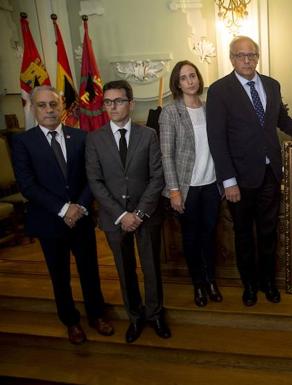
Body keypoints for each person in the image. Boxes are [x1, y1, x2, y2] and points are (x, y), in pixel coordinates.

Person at [206, 35, 292, 307]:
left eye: (252, 55)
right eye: (241, 56)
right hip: (238, 179)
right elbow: (216, 139)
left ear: (258, 57)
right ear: (232, 59)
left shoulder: (271, 85)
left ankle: (267, 283)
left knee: (268, 232)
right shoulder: (219, 90)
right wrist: (228, 181)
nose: (247, 60)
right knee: (243, 234)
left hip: (270, 174)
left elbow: (283, 120)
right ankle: (249, 285)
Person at [11, 86, 114, 344]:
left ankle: (96, 315)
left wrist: (78, 207)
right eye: (42, 105)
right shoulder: (23, 142)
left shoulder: (81, 137)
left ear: (62, 108)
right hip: (49, 220)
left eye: (53, 105)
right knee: (60, 276)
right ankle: (70, 321)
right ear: (33, 109)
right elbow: (27, 185)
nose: (49, 110)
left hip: (80, 218)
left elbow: (93, 177)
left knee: (90, 270)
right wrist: (62, 208)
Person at [85, 80, 169, 343]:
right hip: (114, 219)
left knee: (151, 268)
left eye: (118, 101)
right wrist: (122, 216)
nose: (113, 107)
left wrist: (140, 213)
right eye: (108, 102)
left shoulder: (148, 135)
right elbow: (95, 181)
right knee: (125, 269)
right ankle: (135, 317)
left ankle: (155, 314)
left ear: (130, 104)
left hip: (146, 216)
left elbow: (157, 177)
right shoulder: (95, 139)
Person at [160, 60, 223, 307]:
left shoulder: (210, 109)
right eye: (184, 78)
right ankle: (198, 284)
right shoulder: (170, 112)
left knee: (209, 236)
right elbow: (166, 154)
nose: (190, 81)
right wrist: (174, 191)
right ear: (177, 83)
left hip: (210, 185)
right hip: (186, 188)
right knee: (191, 237)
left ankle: (210, 281)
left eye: (193, 76)